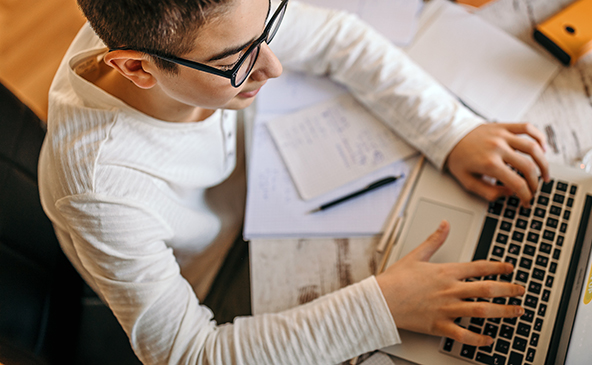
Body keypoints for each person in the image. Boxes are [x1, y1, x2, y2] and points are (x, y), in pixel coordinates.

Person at [38, 0, 550, 363]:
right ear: (136, 68)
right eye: (236, 61)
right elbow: (188, 353)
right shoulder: (97, 188)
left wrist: (451, 129)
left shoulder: (207, 23)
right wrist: (383, 307)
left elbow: (335, 38)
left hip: (263, 188)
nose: (274, 65)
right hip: (219, 275)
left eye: (268, 22)